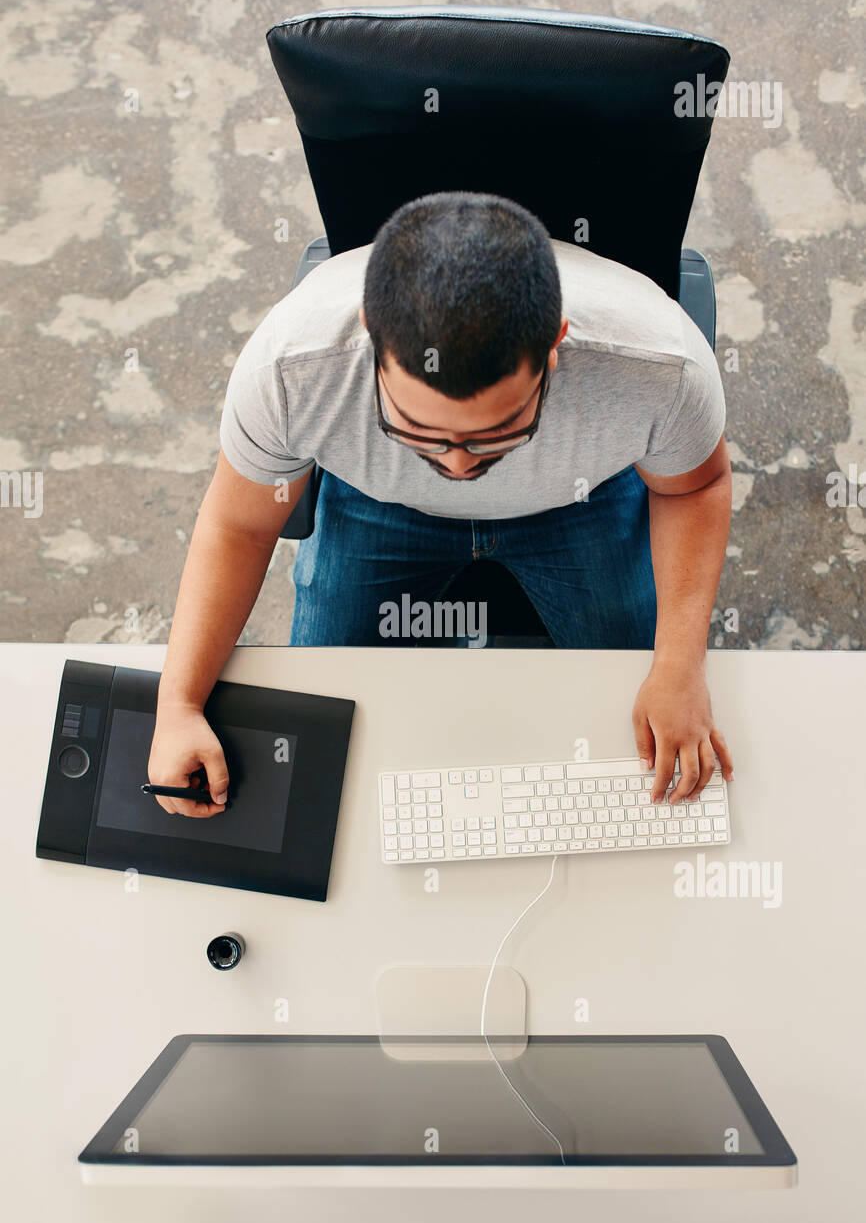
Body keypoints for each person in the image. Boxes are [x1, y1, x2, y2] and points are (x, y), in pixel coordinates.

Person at [148, 192, 734, 817]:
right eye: (421, 429)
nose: (458, 466)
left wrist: (679, 664)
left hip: (579, 499)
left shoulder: (658, 367)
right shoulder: (290, 371)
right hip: (381, 502)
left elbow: (694, 487)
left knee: (640, 722)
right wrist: (178, 705)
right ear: (373, 337)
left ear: (555, 344)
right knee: (317, 732)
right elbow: (238, 525)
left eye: (497, 430)